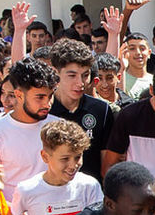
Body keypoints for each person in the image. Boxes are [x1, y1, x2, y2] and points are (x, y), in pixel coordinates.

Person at [9, 120, 104, 215]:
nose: (73, 165)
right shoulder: (27, 189)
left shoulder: (89, 186)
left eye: (77, 157)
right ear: (45, 157)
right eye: (65, 159)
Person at [48, 38, 114, 181]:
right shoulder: (44, 110)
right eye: (72, 75)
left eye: (85, 75)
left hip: (91, 194)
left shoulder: (101, 110)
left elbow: (107, 163)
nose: (80, 83)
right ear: (55, 73)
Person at [0, 58, 57, 194]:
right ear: (19, 95)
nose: (47, 104)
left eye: (50, 96)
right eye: (40, 97)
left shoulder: (60, 127)